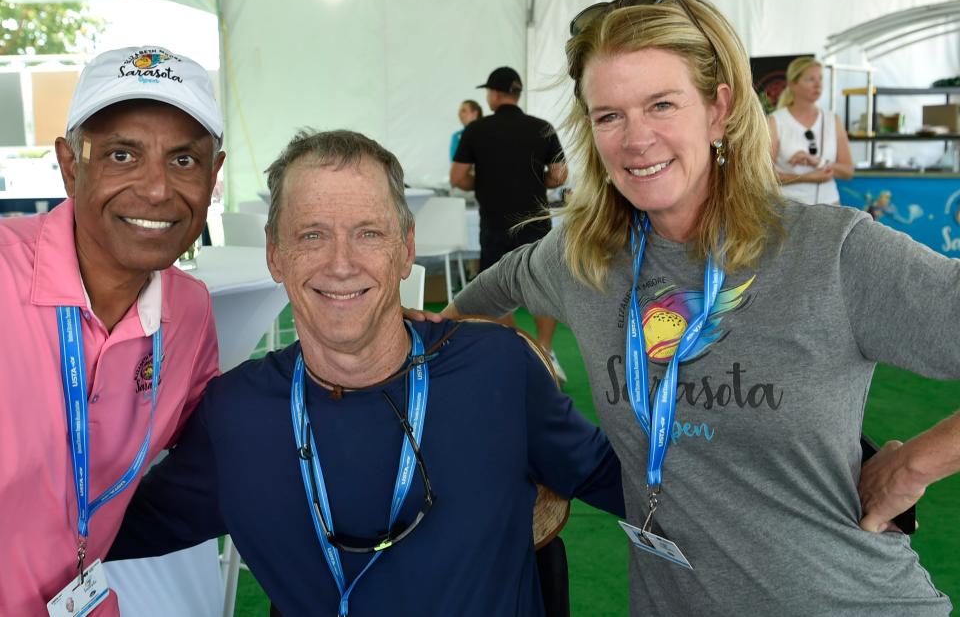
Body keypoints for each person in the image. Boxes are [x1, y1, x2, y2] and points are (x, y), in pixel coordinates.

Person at [440, 0, 960, 615]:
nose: (636, 140)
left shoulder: (832, 252)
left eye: (661, 104)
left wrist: (916, 465)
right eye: (609, 116)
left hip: (845, 598)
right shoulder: (578, 260)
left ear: (719, 109)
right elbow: (463, 315)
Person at [107, 129, 624, 617]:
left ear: (405, 248)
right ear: (275, 255)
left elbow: (626, 483)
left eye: (368, 233)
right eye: (312, 235)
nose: (341, 264)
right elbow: (99, 535)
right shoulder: (236, 414)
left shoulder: (498, 370)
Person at [0, 46, 224, 616]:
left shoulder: (189, 309)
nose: (156, 190)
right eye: (123, 155)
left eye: (184, 161)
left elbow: (218, 443)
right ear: (71, 165)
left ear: (214, 175)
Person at [450, 66, 570, 381]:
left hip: (494, 224)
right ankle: (546, 350)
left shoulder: (475, 131)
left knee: (495, 289)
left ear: (492, 94)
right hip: (535, 221)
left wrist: (480, 183)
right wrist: (536, 181)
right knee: (542, 286)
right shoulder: (541, 127)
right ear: (517, 94)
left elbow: (458, 177)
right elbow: (559, 175)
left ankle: (522, 349)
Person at [767, 56, 855, 205]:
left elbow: (848, 171)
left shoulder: (833, 120)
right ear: (792, 84)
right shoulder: (775, 121)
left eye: (820, 79)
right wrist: (808, 177)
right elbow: (764, 175)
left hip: (829, 207)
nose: (818, 85)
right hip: (788, 209)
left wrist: (818, 162)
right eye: (810, 79)